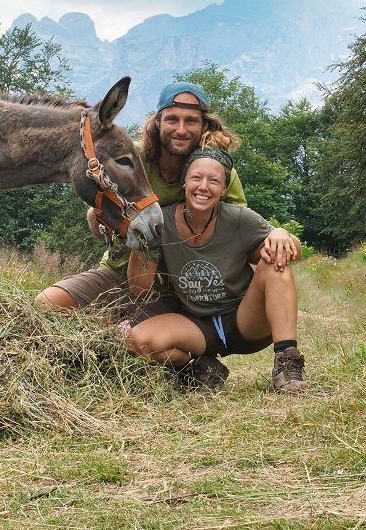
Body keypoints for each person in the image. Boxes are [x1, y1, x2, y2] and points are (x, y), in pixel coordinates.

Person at [35, 82, 246, 317]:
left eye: (191, 121)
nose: (181, 129)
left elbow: (238, 226)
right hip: (118, 272)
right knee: (47, 304)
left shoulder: (216, 172)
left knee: (144, 339)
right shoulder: (127, 158)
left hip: (182, 289)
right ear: (157, 122)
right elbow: (98, 229)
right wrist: (98, 216)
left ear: (204, 125)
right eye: (172, 119)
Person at [123, 147, 307, 393]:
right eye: (196, 178)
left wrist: (282, 234)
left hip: (244, 320)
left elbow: (293, 250)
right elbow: (139, 288)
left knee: (275, 261)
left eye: (214, 181)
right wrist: (139, 241)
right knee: (137, 340)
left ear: (223, 189)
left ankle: (287, 364)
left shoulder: (239, 219)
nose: (203, 186)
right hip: (197, 326)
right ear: (184, 183)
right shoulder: (162, 222)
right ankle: (198, 367)